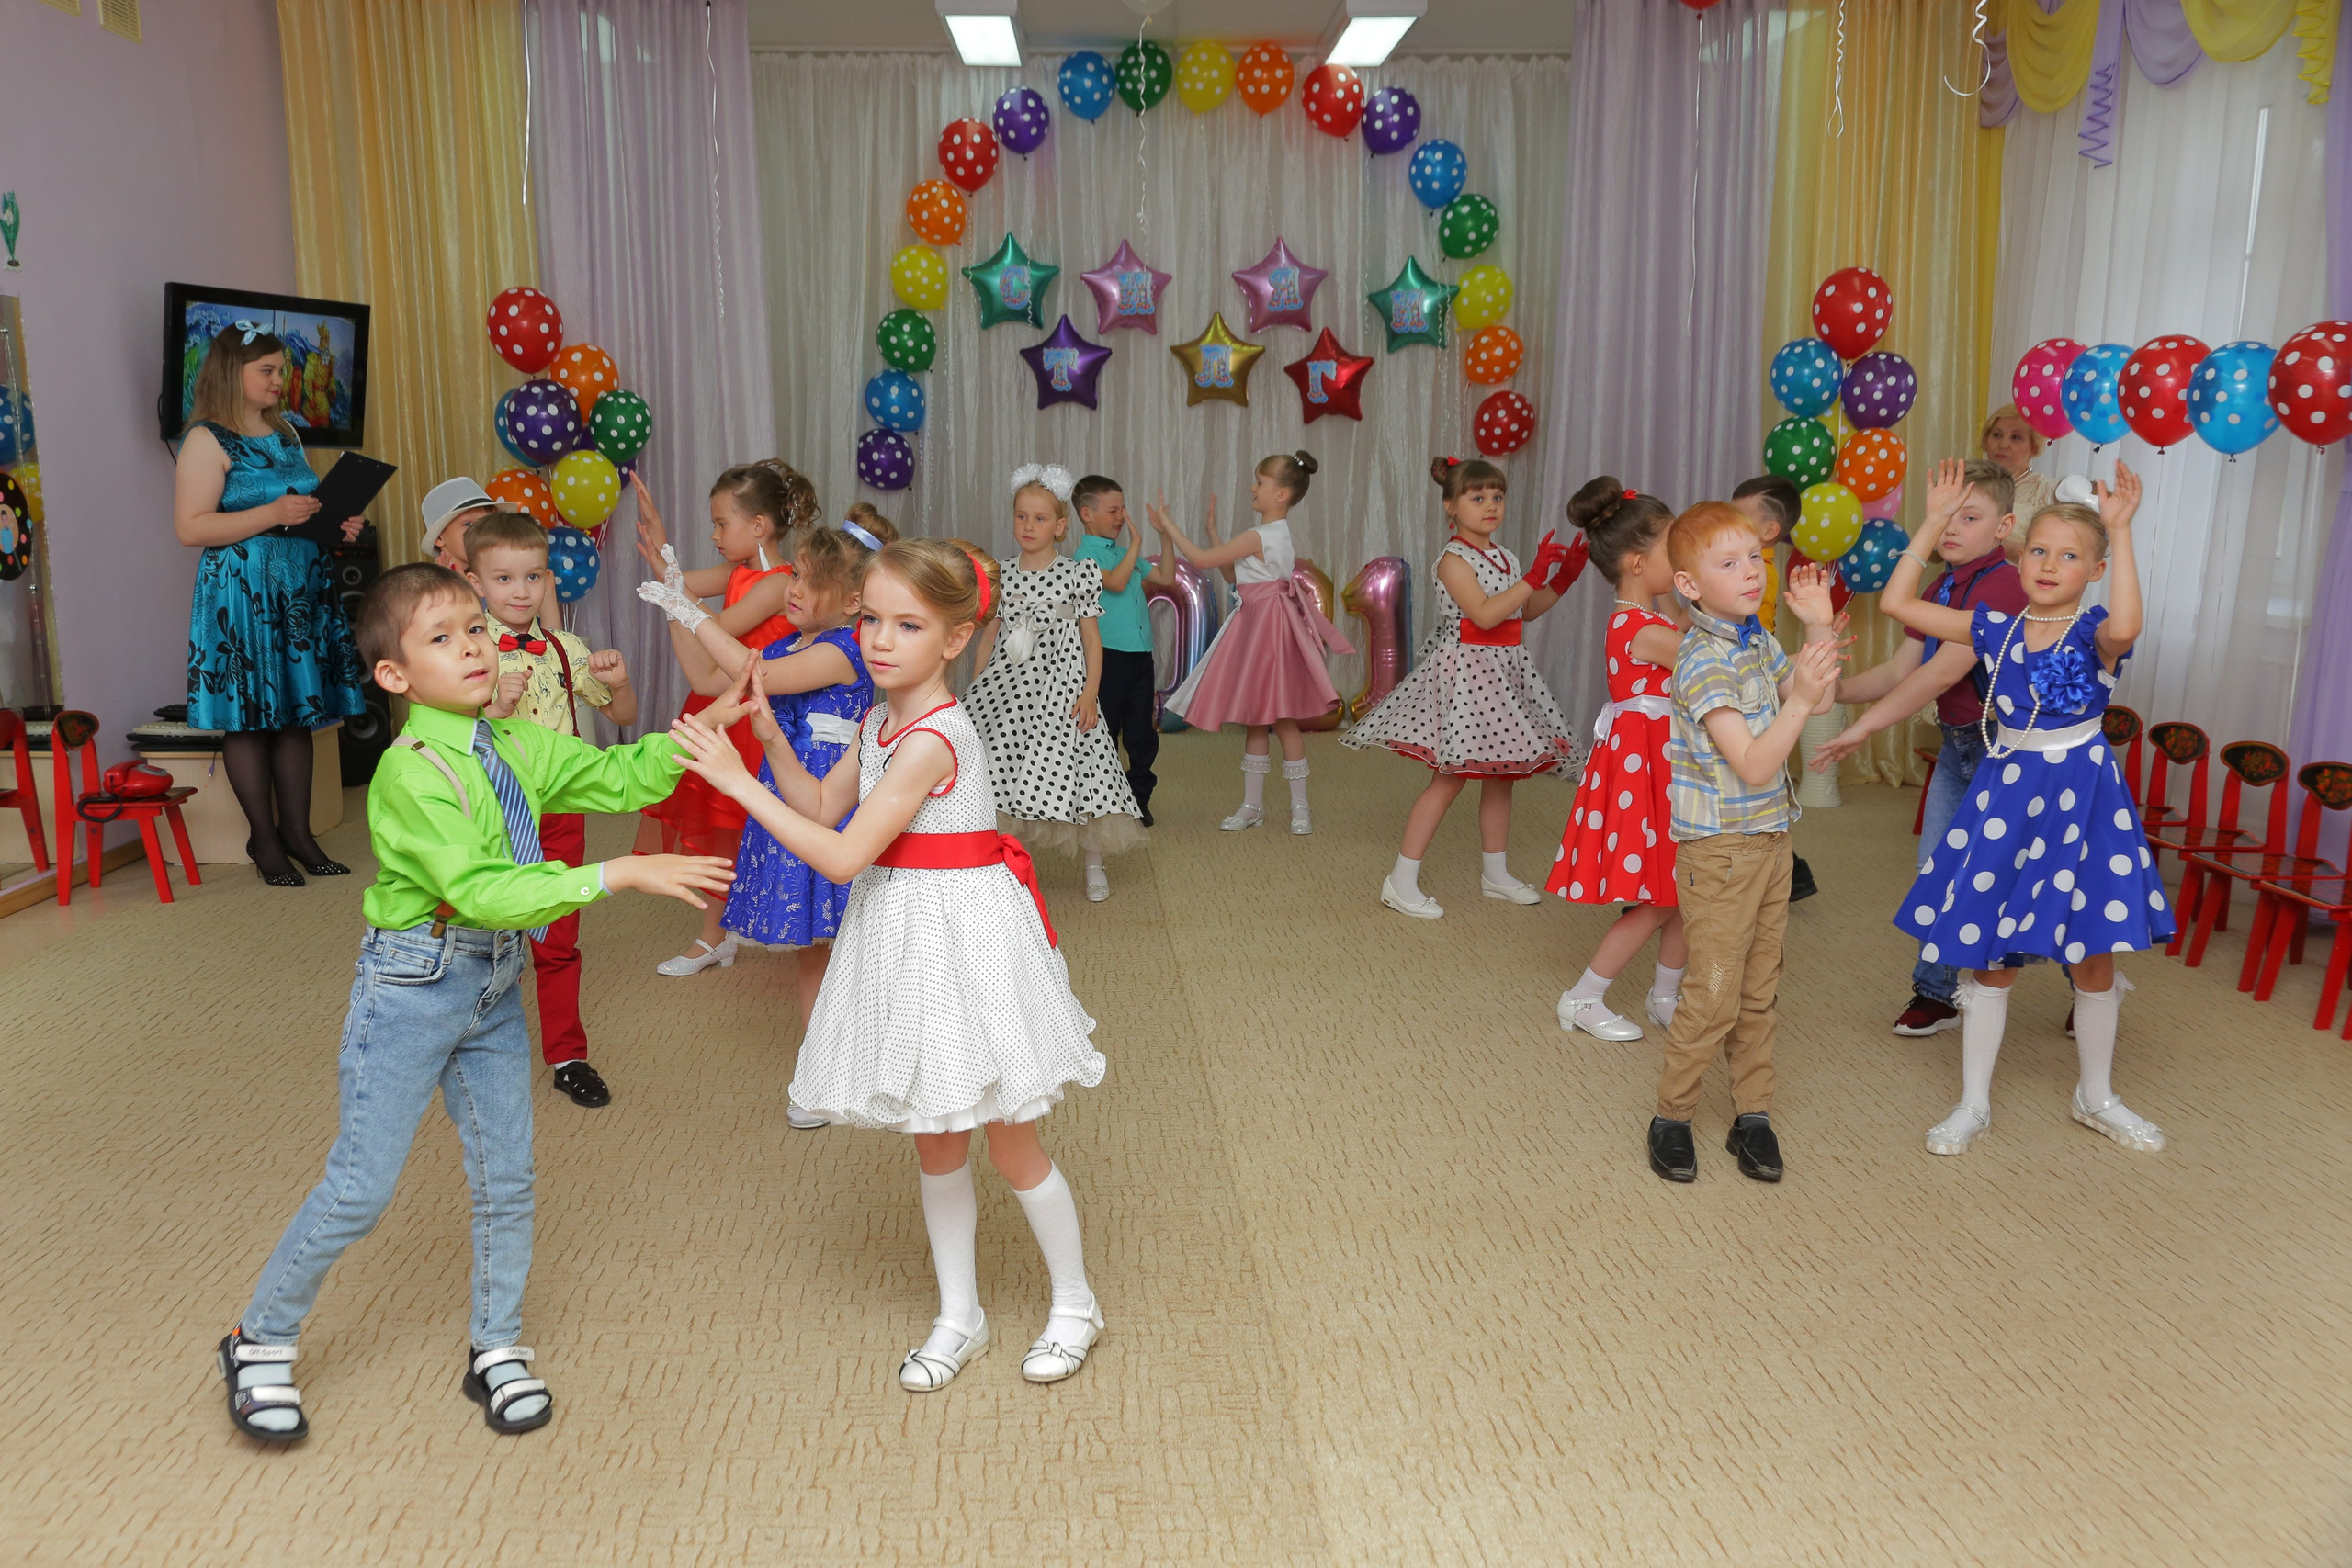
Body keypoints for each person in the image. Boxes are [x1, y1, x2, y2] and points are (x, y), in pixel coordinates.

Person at [217, 563, 732, 1445]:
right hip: (414, 985)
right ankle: (258, 1337)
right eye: (443, 637)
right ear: (395, 675)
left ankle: (495, 1344)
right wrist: (622, 871)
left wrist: (690, 739)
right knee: (362, 1186)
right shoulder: (409, 774)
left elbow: (613, 776)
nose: (474, 647)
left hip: (492, 983)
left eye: (477, 628)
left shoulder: (515, 746)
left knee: (508, 1177)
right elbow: (485, 888)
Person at [670, 539, 1106, 1393]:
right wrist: (769, 748)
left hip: (966, 938)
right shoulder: (878, 722)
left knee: (1012, 1143)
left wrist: (736, 779)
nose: (878, 639)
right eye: (870, 618)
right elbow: (825, 804)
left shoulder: (932, 739)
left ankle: (1077, 1302)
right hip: (906, 930)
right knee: (935, 1137)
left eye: (907, 625)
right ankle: (960, 1314)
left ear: (953, 639)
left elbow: (839, 856)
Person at [1873, 465, 2174, 1157]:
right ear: (2018, 554)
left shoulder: (2097, 631)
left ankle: (2095, 1095)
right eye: (2038, 550)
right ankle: (1973, 1101)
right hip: (2009, 797)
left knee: (2092, 958)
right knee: (1991, 959)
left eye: (2070, 556)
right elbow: (1897, 603)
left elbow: (2129, 622)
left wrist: (2120, 532)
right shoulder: (1994, 628)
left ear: (2094, 570)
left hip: (2083, 801)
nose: (2049, 564)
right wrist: (1932, 518)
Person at [641, 512, 890, 1114]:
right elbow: (707, 674)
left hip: (829, 799)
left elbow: (755, 673)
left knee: (847, 945)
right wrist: (677, 606)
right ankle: (822, 1066)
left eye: (810, 581)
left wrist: (692, 609)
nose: (793, 589)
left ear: (854, 601)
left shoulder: (845, 646)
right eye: (795, 575)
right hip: (785, 792)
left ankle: (861, 1057)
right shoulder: (789, 640)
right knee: (814, 947)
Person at [1645, 503, 1843, 1185]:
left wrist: (1817, 623)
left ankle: (1751, 1113)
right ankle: (1672, 1114)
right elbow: (1756, 763)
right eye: (1728, 564)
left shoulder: (1753, 636)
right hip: (1722, 850)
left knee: (1761, 988)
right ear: (1689, 585)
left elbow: (1816, 700)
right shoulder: (1702, 658)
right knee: (1716, 991)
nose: (1752, 572)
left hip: (1770, 840)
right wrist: (1800, 700)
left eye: (1754, 557)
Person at [1808, 459, 2025, 1036]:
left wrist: (1859, 732)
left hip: (2005, 753)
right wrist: (1834, 693)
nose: (1951, 527)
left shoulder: (2004, 583)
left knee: (2030, 878)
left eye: (1968, 517)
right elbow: (1902, 669)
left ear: (2003, 528)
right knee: (1937, 869)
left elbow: (1935, 679)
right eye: (1945, 516)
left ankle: (2092, 985)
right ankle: (1936, 992)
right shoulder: (1942, 585)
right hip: (1961, 747)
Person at [173, 321, 368, 887]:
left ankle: (299, 834)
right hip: (240, 594)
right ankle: (264, 837)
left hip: (299, 589)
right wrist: (275, 515)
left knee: (295, 713)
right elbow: (191, 527)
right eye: (269, 371)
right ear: (233, 373)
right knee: (250, 715)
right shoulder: (206, 439)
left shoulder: (285, 433)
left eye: (281, 369)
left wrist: (333, 525)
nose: (281, 380)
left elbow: (299, 509)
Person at [1349, 457, 1585, 917]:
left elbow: (1525, 610)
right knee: (1450, 778)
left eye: (1497, 497)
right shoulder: (1452, 561)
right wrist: (1533, 577)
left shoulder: (1506, 556)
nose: (1490, 506)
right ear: (1450, 507)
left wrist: (1562, 578)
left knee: (1501, 777)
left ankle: (1495, 874)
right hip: (1469, 675)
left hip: (1505, 673)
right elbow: (1485, 613)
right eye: (1477, 497)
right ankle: (1401, 879)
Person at [464, 510, 639, 1109]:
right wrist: (490, 706)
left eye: (533, 577)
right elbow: (444, 734)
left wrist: (617, 682)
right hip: (495, 808)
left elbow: (620, 716)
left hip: (561, 809)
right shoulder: (467, 651)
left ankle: (567, 1054)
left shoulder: (566, 648)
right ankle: (473, 1044)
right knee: (488, 933)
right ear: (476, 584)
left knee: (558, 935)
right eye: (505, 578)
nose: (521, 591)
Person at [631, 462, 811, 976]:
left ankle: (742, 930)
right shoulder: (736, 573)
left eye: (720, 524)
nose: (713, 535)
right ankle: (715, 936)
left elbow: (710, 624)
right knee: (716, 830)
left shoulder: (778, 584)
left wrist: (677, 597)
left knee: (741, 830)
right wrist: (661, 542)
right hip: (718, 707)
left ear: (758, 526)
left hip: (751, 719)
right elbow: (676, 585)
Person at [963, 465, 1148, 903]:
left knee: (1077, 768)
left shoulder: (1077, 573)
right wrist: (977, 690)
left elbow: (1091, 639)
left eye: (1040, 518)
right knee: (1005, 767)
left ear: (1061, 526)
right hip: (1009, 687)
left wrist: (1089, 693)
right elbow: (990, 634)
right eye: (1021, 516)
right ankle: (1007, 864)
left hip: (1062, 687)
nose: (1029, 526)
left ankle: (1093, 861)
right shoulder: (1003, 573)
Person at [1547, 479, 1688, 1039]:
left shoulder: (1647, 620)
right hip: (1646, 767)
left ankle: (1664, 995)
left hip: (1663, 763)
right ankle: (1583, 997)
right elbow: (1710, 656)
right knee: (1656, 899)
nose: (1685, 560)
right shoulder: (1642, 629)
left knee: (1682, 890)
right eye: (1673, 551)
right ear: (1636, 562)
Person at [1152, 451, 1353, 834]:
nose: (1252, 487)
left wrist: (1168, 526)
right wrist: (1213, 531)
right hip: (1265, 624)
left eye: (1260, 482)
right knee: (1263, 720)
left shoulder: (1258, 536)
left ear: (1281, 494)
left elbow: (1201, 560)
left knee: (1277, 718)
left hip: (1265, 628)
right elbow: (1233, 574)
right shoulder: (1275, 534)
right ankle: (1260, 806)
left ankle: (1295, 806)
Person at [1728, 475, 1819, 904]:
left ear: (1768, 532)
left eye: (1738, 518)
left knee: (1747, 780)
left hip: (1747, 689)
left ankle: (1785, 870)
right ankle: (1789, 870)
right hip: (1751, 683)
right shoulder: (1751, 565)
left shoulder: (1753, 573)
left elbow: (1747, 636)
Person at [1069, 474, 1174, 827]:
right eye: (1113, 510)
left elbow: (1166, 578)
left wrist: (1163, 534)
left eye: (1123, 509)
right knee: (1106, 731)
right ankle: (1104, 799)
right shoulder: (1084, 556)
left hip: (1140, 655)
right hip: (1108, 657)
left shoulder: (1123, 552)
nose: (1120, 517)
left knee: (1141, 733)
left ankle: (1139, 798)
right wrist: (1136, 543)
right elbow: (1113, 583)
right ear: (1087, 514)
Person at [1980, 402, 2055, 556]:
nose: (2003, 444)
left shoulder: (2046, 491)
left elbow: (2049, 554)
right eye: (1997, 435)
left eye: (2016, 438)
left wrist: (1988, 541)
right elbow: (1935, 553)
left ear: (2033, 446)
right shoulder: (1969, 482)